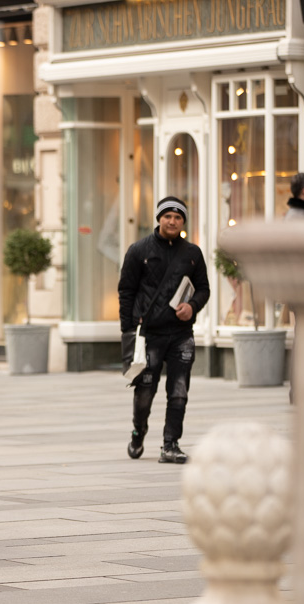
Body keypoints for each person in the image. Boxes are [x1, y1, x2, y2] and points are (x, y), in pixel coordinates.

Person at [119, 197, 210, 464]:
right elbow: (126, 291)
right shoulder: (139, 250)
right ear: (158, 218)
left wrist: (192, 307)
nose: (172, 221)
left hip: (181, 335)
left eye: (178, 217)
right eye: (167, 216)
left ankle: (170, 444)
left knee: (179, 391)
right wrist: (128, 331)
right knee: (145, 391)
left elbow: (204, 288)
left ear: (183, 221)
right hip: (149, 336)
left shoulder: (193, 253)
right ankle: (139, 430)